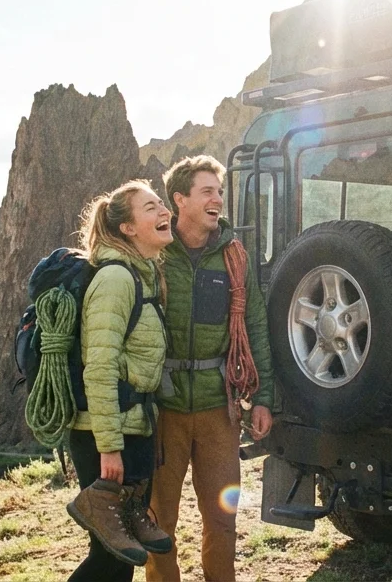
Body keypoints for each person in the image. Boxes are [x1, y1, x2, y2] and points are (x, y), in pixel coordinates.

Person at [146, 156, 275, 582]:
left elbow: (255, 324)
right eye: (207, 191)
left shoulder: (234, 257)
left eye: (219, 191)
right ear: (179, 199)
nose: (217, 199)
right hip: (163, 410)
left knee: (222, 520)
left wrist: (263, 399)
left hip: (220, 410)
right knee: (158, 520)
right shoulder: (155, 257)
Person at [65, 180, 176, 581]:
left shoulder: (143, 275)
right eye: (151, 208)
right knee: (108, 558)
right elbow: (99, 369)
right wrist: (109, 449)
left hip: (135, 428)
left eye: (161, 204)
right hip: (106, 434)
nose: (164, 211)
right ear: (127, 228)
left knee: (123, 557)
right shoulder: (116, 280)